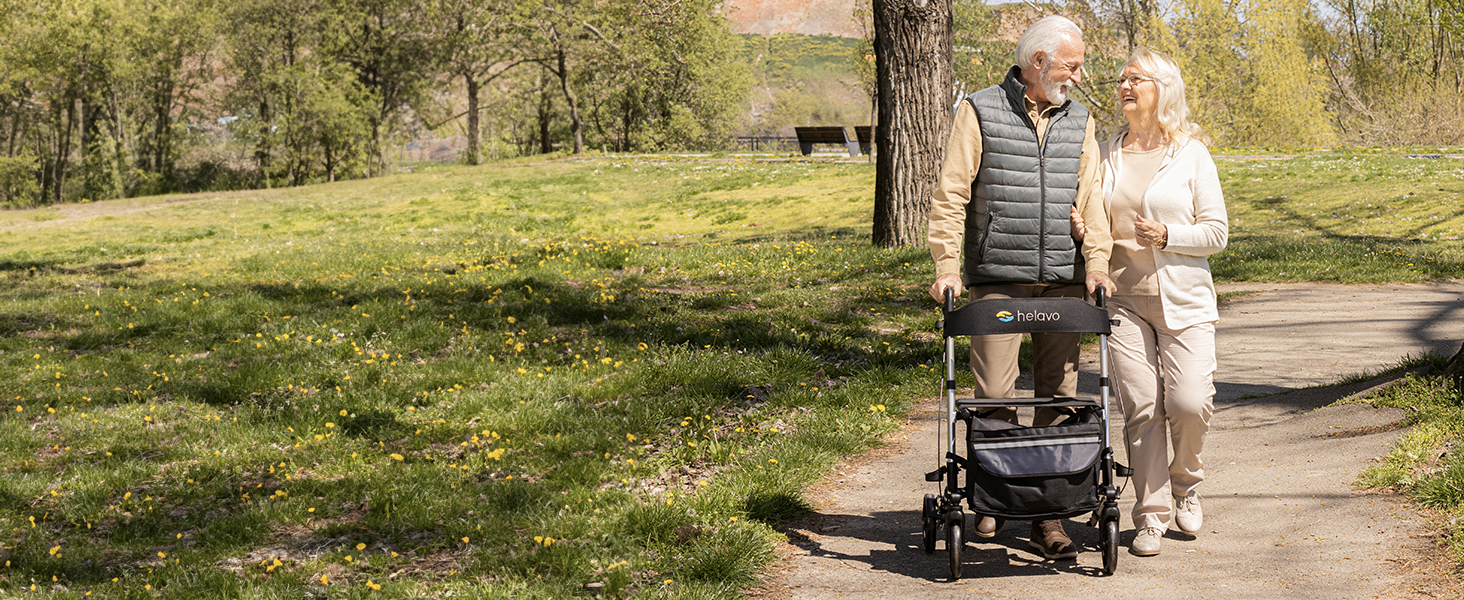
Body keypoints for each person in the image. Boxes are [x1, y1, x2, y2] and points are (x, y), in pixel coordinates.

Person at [927, 14, 1114, 561]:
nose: (1078, 77)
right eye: (1071, 66)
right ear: (1038, 62)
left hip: (1063, 283)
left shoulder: (1079, 121)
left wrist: (1097, 265)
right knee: (995, 396)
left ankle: (1048, 514)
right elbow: (951, 195)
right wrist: (945, 266)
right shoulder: (980, 109)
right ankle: (994, 497)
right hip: (998, 283)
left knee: (1059, 396)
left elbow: (1093, 201)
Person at [1081, 48, 1228, 557]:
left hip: (1184, 299)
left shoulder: (1191, 154)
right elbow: (1093, 217)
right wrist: (1083, 229)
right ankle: (1151, 515)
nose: (1123, 86)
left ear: (1161, 89)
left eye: (1135, 79)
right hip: (1122, 299)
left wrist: (1168, 234)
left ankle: (1186, 483)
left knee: (1188, 403)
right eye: (1121, 79)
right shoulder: (1103, 153)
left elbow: (1217, 233)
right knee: (1141, 408)